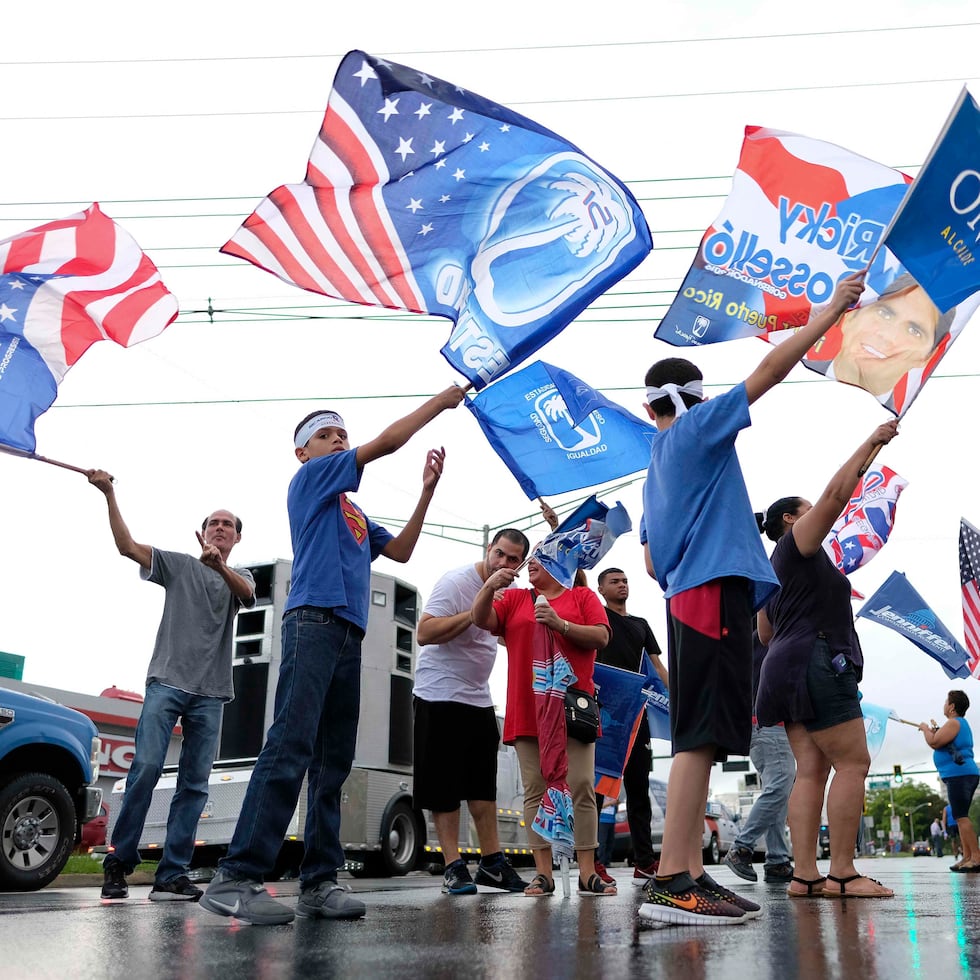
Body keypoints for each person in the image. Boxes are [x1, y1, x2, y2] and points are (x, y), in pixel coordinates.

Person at [637, 272, 866, 928]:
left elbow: (652, 561)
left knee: (698, 736)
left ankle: (687, 871)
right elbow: (768, 370)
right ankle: (675, 880)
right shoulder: (694, 431)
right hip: (712, 593)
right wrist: (826, 314)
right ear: (693, 397)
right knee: (700, 740)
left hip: (688, 595)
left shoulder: (656, 460)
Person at [200, 387, 464, 925]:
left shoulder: (355, 513)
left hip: (349, 633)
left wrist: (427, 492)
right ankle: (236, 876)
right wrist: (441, 401)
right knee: (290, 745)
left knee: (332, 764)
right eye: (327, 436)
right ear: (304, 452)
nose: (339, 440)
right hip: (313, 622)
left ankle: (318, 881)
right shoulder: (311, 481)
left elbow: (405, 551)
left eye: (342, 433)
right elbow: (386, 443)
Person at [87, 470, 256, 902]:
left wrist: (220, 566)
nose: (220, 528)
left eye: (228, 525)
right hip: (166, 683)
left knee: (194, 785)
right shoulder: (178, 564)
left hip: (212, 693)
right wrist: (109, 493)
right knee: (144, 769)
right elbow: (126, 547)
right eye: (213, 523)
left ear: (236, 539)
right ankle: (118, 864)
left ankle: (172, 874)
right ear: (201, 533)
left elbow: (249, 597)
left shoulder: (241, 578)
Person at [755, 421, 900, 900]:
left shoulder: (773, 569)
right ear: (792, 522)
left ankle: (805, 875)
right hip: (815, 659)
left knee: (812, 770)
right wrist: (872, 443)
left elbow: (764, 632)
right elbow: (837, 494)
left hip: (782, 666)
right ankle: (842, 872)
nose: (819, 515)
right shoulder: (798, 547)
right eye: (808, 512)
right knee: (853, 762)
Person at [471, 557, 615, 896]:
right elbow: (481, 620)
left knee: (580, 784)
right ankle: (543, 874)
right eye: (530, 560)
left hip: (571, 709)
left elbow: (601, 637)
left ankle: (586, 871)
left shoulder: (582, 597)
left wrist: (559, 623)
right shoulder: (517, 598)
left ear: (559, 564)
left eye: (540, 559)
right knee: (535, 789)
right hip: (527, 707)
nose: (530, 563)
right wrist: (490, 586)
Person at [412, 527, 531, 896]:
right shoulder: (456, 581)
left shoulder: (511, 592)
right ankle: (453, 866)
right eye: (500, 554)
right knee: (443, 787)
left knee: (483, 786)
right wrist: (479, 604)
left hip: (478, 696)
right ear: (488, 549)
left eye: (513, 560)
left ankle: (493, 863)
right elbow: (424, 632)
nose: (504, 563)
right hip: (439, 692)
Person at [594, 566, 668, 883]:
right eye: (615, 581)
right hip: (605, 712)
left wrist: (677, 700)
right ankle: (592, 861)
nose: (622, 585)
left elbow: (656, 666)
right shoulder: (596, 617)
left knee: (639, 790)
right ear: (601, 589)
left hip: (637, 716)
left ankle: (644, 862)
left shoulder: (641, 625)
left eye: (625, 580)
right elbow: (572, 585)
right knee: (596, 790)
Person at [809, 273, 956, 406]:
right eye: (884, 313)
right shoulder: (794, 367)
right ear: (851, 316)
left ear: (928, 356)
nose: (888, 336)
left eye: (914, 331)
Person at [723, 632, 795, 884]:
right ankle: (742, 848)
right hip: (769, 722)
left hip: (759, 723)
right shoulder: (774, 633)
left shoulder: (753, 635)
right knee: (779, 786)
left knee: (776, 790)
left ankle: (777, 860)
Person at [918, 690, 980, 872]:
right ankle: (967, 857)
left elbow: (935, 742)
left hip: (959, 774)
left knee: (961, 816)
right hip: (959, 775)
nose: (944, 704)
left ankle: (975, 857)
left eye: (947, 701)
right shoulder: (955, 724)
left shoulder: (954, 723)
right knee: (960, 817)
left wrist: (924, 730)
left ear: (952, 706)